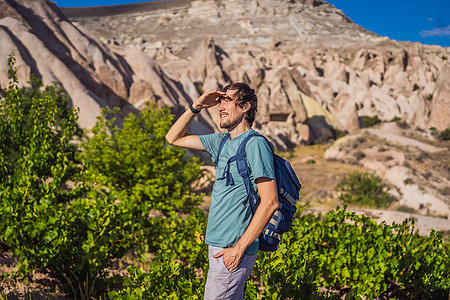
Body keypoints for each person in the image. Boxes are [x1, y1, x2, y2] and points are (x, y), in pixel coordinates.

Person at [166, 82, 279, 300]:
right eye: (220, 101)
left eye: (227, 100)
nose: (220, 106)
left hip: (233, 247)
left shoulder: (255, 144)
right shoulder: (221, 141)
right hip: (218, 245)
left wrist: (238, 249)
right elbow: (173, 138)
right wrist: (196, 106)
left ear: (245, 106)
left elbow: (270, 202)